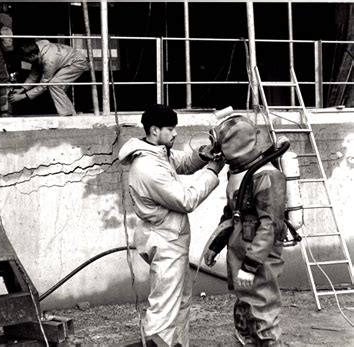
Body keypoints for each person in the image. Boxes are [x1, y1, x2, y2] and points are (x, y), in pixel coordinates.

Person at [118, 104, 225, 347]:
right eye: (170, 129)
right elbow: (186, 200)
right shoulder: (148, 167)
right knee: (164, 307)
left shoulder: (157, 152)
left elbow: (182, 163)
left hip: (169, 237)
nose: (175, 133)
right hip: (165, 241)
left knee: (180, 300)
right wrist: (212, 172)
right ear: (154, 130)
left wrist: (202, 156)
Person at [204, 115, 287, 346]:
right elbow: (231, 215)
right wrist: (215, 246)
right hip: (241, 253)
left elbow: (270, 225)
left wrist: (250, 266)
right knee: (245, 309)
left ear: (234, 144)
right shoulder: (238, 173)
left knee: (263, 312)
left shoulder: (267, 175)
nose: (216, 151)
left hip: (259, 258)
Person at [8, 39, 89, 116]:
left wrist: (22, 96)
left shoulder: (49, 61)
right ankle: (70, 113)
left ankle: (67, 115)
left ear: (32, 56)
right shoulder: (38, 49)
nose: (28, 62)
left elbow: (43, 85)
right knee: (58, 87)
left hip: (77, 62)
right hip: (69, 59)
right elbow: (34, 74)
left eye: (27, 60)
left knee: (55, 85)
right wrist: (22, 89)